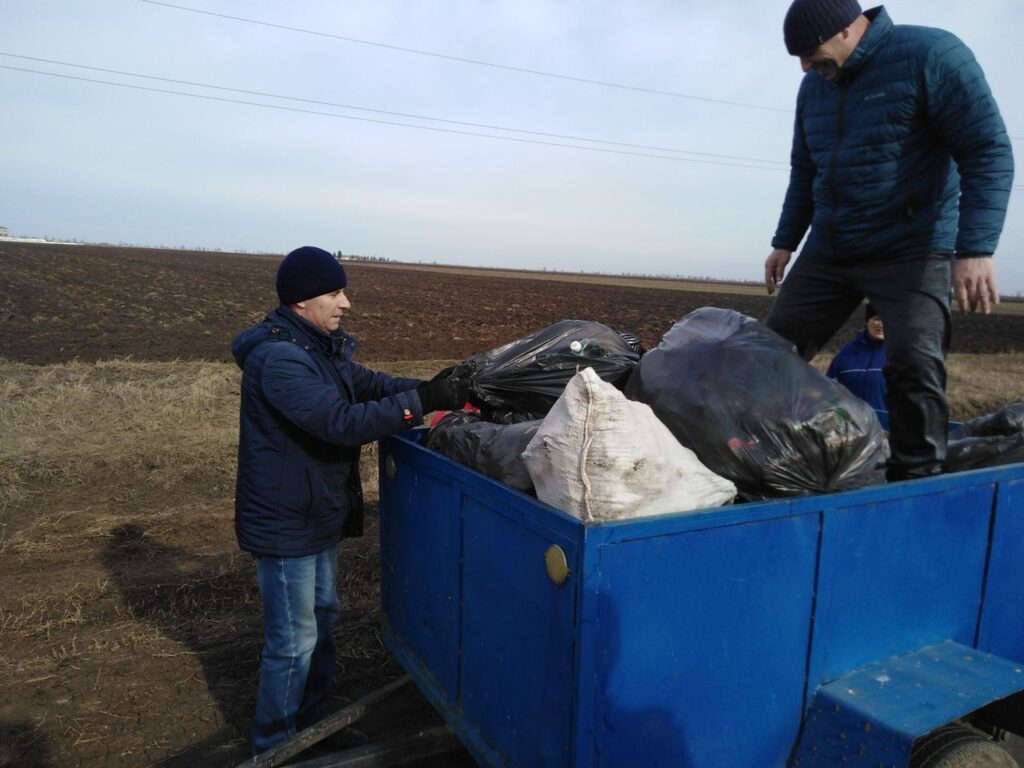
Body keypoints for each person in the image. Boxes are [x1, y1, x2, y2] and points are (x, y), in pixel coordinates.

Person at [763, 0, 1014, 481]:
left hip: (911, 247)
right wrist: (785, 241)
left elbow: (987, 149)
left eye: (809, 52)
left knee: (913, 368)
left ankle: (914, 484)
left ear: (845, 30)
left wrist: (976, 248)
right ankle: (762, 461)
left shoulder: (931, 54)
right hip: (833, 246)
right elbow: (806, 172)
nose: (804, 66)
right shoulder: (814, 85)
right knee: (771, 354)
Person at [232, 245, 468, 754]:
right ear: (301, 301)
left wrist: (439, 389)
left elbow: (372, 386)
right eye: (335, 293)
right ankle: (274, 746)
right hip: (285, 520)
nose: (346, 303)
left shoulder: (320, 348)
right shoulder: (279, 360)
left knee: (321, 618)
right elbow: (340, 424)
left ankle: (310, 728)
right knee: (293, 642)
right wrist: (424, 403)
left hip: (314, 510)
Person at [826, 303, 887, 417]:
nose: (881, 324)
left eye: (886, 319)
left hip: (889, 430)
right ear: (867, 322)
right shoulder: (847, 352)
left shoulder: (901, 354)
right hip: (851, 429)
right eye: (877, 319)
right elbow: (829, 390)